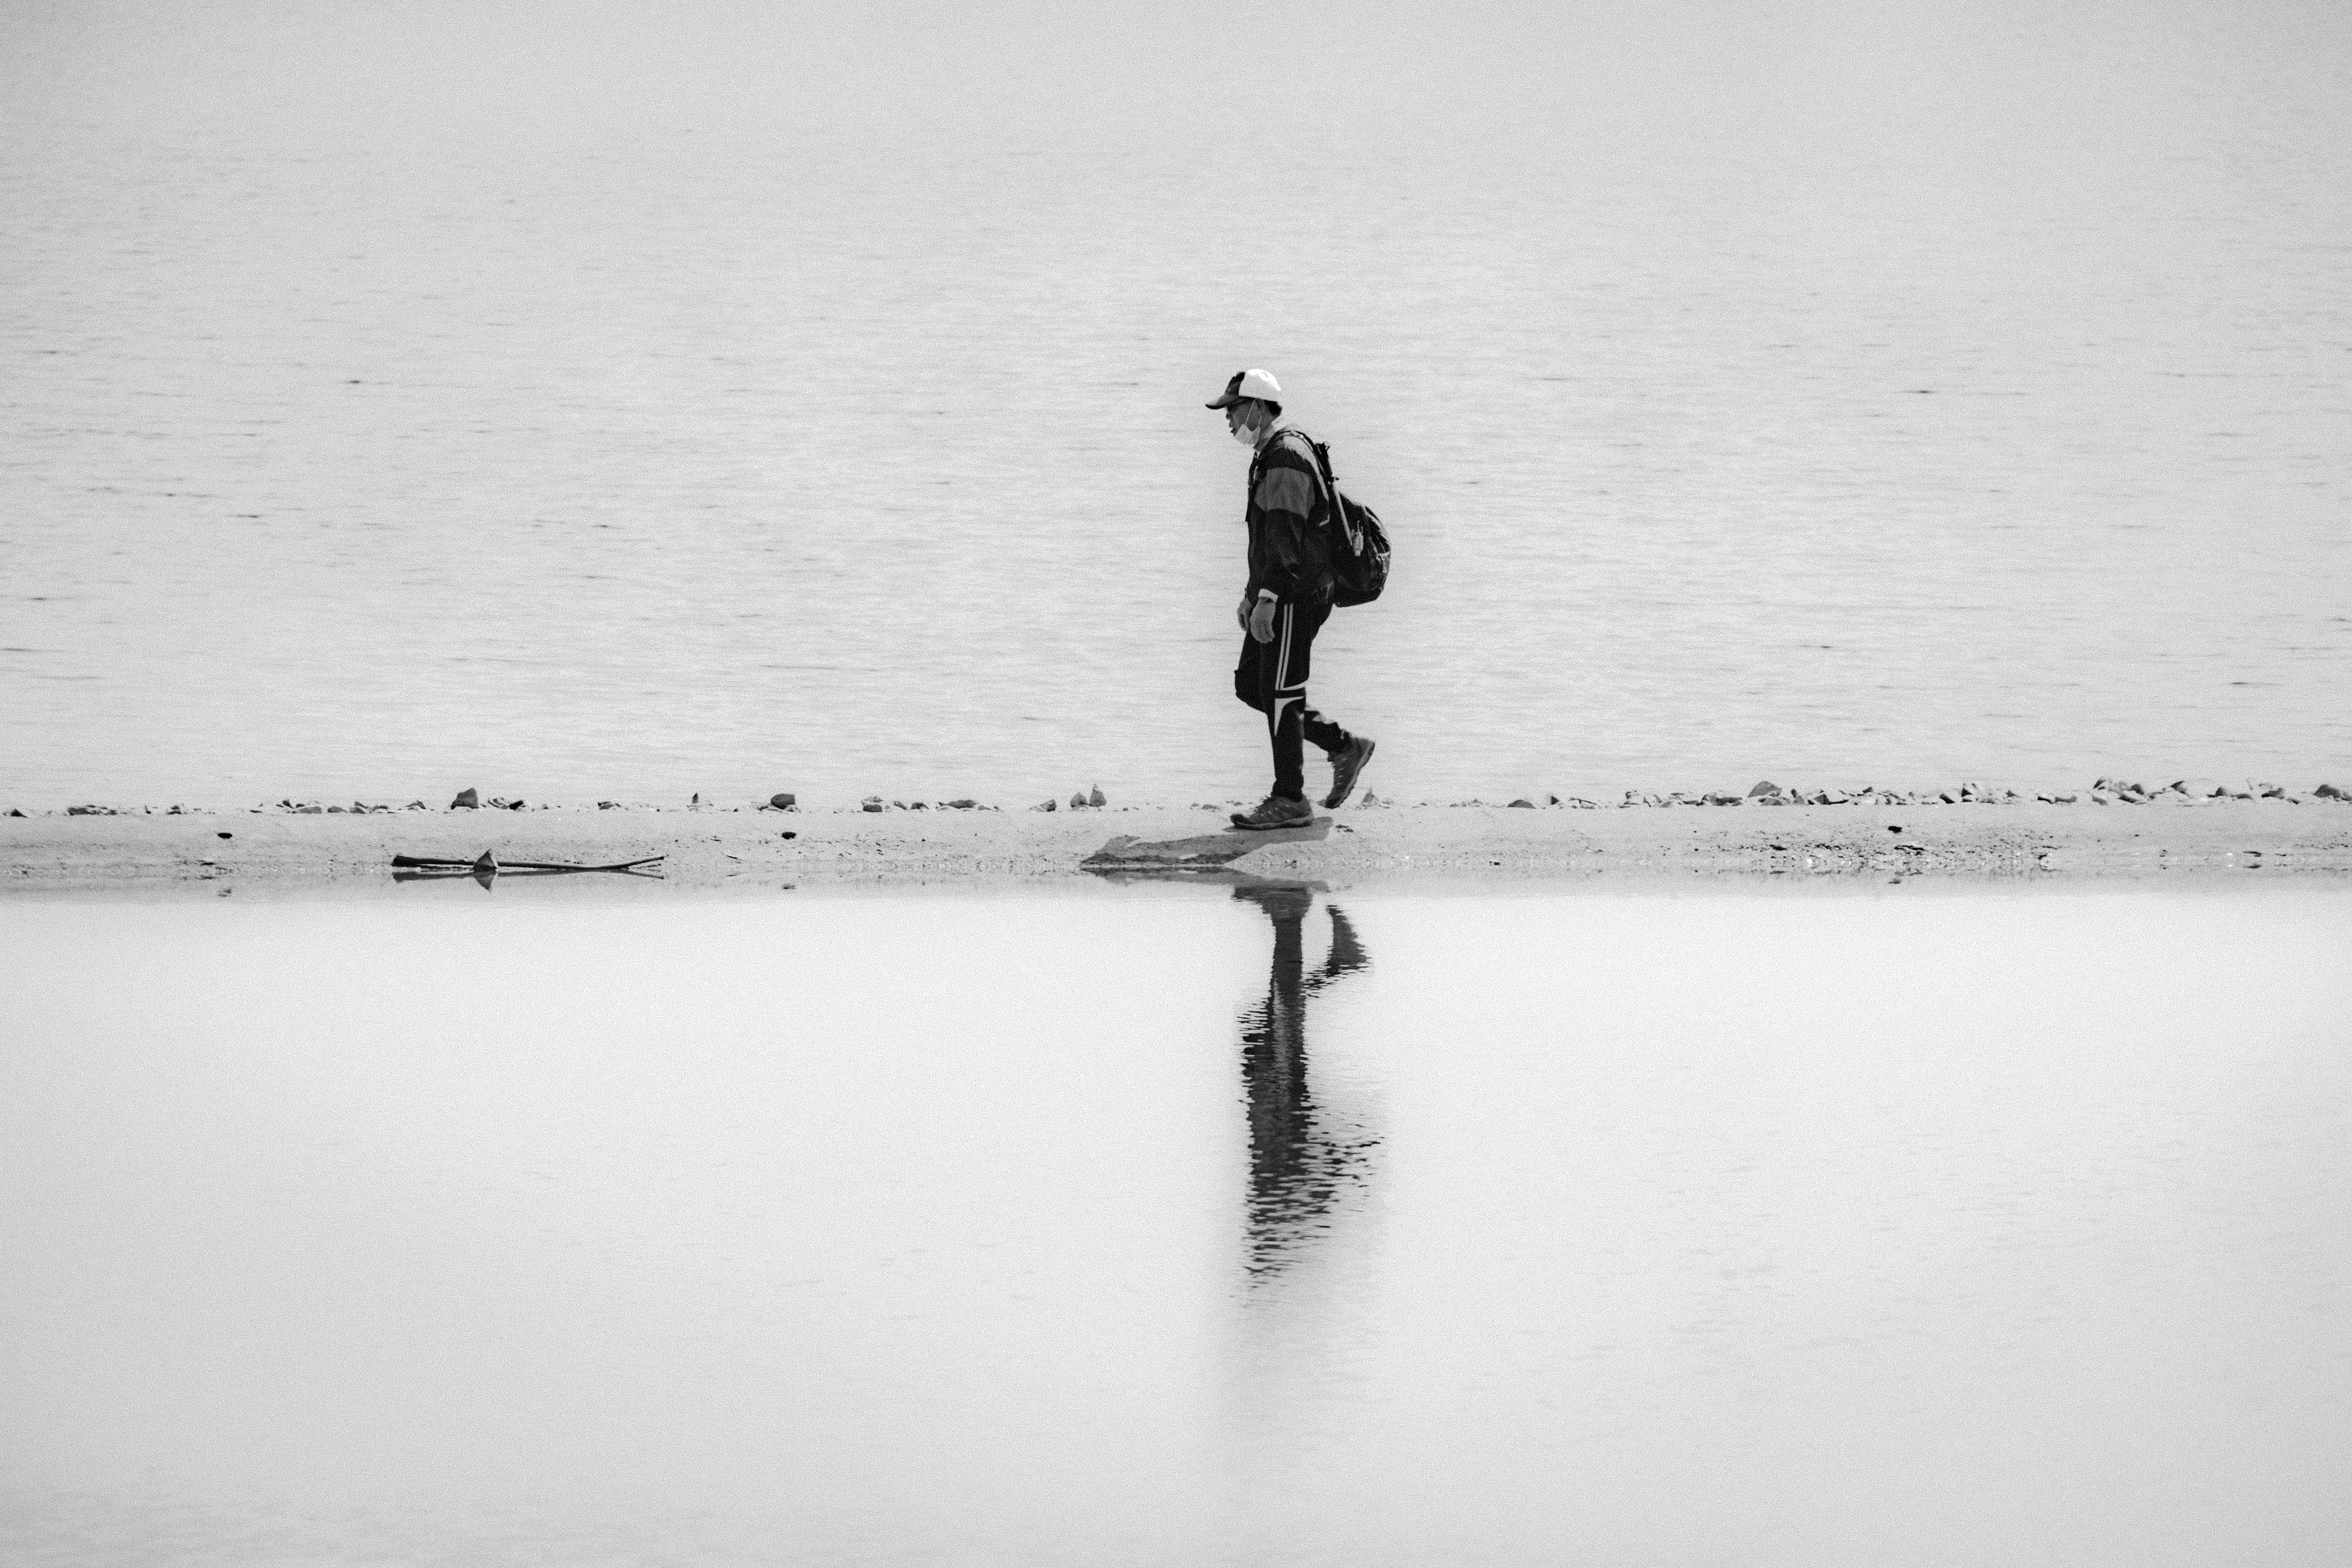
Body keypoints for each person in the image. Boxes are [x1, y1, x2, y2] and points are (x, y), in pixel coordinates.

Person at [1205, 368, 1377, 830]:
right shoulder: (1272, 453)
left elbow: (1284, 536)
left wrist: (1268, 599)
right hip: (1282, 589)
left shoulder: (1284, 459)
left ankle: (1290, 800)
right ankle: (1344, 746)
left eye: (1233, 410)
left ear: (1258, 408)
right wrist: (1250, 595)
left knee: (1280, 692)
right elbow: (1266, 536)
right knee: (1253, 685)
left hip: (1294, 595)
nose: (1227, 419)